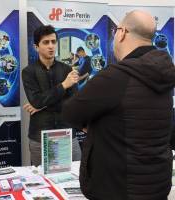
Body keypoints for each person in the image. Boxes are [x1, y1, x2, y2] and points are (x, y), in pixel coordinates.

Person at [62, 10, 175, 200]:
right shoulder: (165, 74)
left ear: (121, 32)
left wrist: (94, 124)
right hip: (156, 186)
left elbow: (70, 113)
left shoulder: (116, 76)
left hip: (117, 188)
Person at [22, 25, 80, 166]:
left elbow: (74, 103)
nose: (51, 46)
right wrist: (63, 86)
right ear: (36, 47)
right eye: (46, 42)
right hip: (39, 136)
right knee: (41, 182)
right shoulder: (29, 72)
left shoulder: (67, 69)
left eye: (53, 42)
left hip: (66, 133)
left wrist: (41, 106)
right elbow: (36, 101)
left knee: (76, 177)